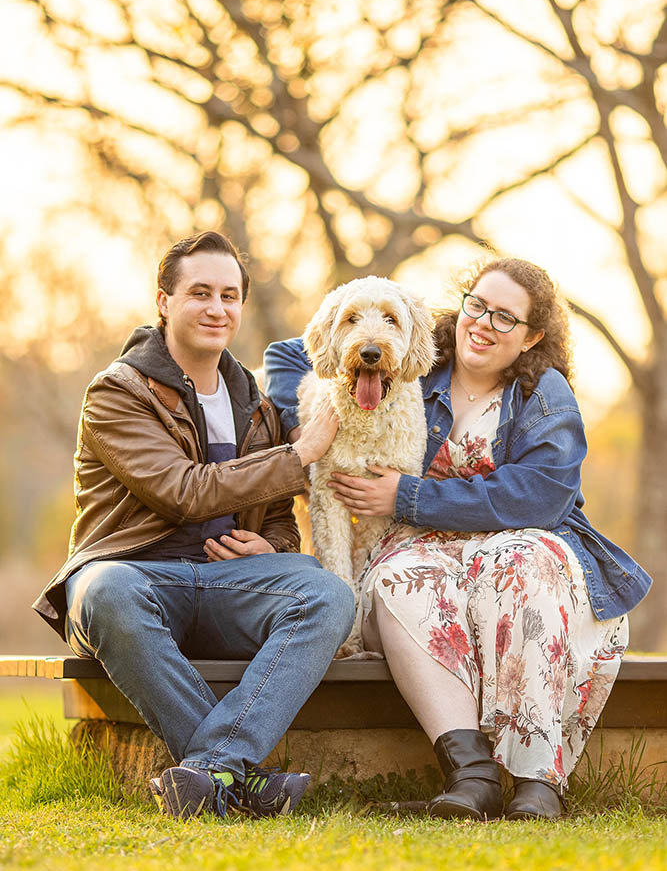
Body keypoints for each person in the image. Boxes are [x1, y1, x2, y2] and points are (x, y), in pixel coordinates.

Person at [263, 256, 651, 821]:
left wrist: (409, 497)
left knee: (525, 563)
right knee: (399, 579)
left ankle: (536, 780)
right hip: (422, 549)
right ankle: (470, 776)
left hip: (519, 545)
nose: (484, 323)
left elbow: (540, 498)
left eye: (505, 318)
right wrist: (309, 422)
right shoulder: (420, 353)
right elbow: (289, 352)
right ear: (462, 304)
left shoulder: (545, 393)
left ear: (532, 336)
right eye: (478, 305)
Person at [34, 230, 354, 821]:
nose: (217, 308)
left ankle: (211, 774)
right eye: (200, 292)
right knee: (105, 590)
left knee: (327, 594)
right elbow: (183, 492)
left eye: (230, 296)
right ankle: (242, 778)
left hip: (227, 585)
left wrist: (270, 545)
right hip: (136, 580)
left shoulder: (253, 402)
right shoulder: (117, 392)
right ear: (163, 301)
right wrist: (300, 453)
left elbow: (281, 521)